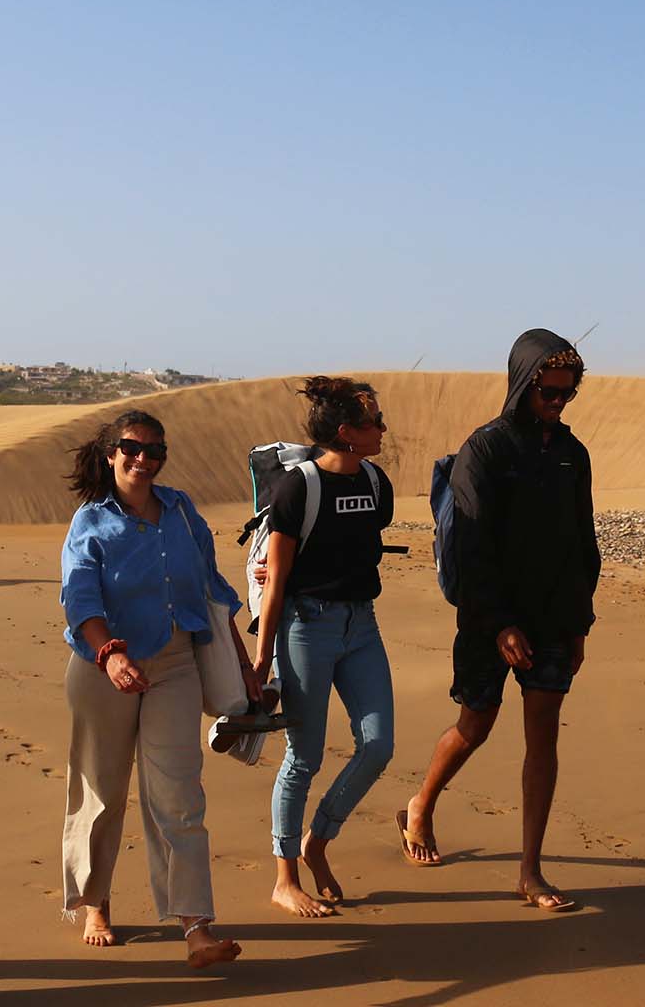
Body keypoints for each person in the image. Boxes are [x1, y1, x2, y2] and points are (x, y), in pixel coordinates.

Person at [399, 329, 600, 913]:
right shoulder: (483, 450)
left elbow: (582, 543)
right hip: (491, 619)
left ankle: (531, 871)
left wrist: (580, 623)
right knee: (475, 724)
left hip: (555, 619)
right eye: (548, 393)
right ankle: (421, 804)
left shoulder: (572, 453)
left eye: (567, 394)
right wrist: (499, 623)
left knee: (543, 733)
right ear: (523, 383)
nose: (557, 404)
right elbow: (470, 547)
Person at [58, 410, 248, 969]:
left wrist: (244, 663)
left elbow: (214, 589)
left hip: (174, 663)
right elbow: (80, 601)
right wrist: (109, 653)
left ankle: (196, 927)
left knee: (179, 796)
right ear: (111, 453)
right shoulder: (90, 521)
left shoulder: (181, 510)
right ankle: (97, 903)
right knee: (103, 791)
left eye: (155, 451)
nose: (143, 459)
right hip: (103, 667)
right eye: (132, 449)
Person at [250, 377, 395, 918]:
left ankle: (319, 841)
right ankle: (285, 876)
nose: (383, 429)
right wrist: (263, 659)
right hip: (305, 628)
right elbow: (276, 580)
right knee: (303, 758)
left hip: (363, 627)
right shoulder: (297, 488)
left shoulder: (378, 482)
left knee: (378, 745)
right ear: (346, 432)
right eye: (374, 420)